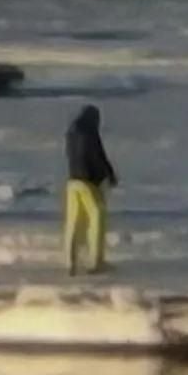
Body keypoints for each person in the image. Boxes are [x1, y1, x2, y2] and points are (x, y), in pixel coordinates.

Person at [63, 104, 118, 275]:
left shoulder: (71, 134)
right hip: (88, 182)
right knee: (97, 218)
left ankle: (70, 262)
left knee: (73, 222)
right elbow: (97, 155)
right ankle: (96, 262)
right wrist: (108, 175)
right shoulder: (90, 133)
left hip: (73, 182)